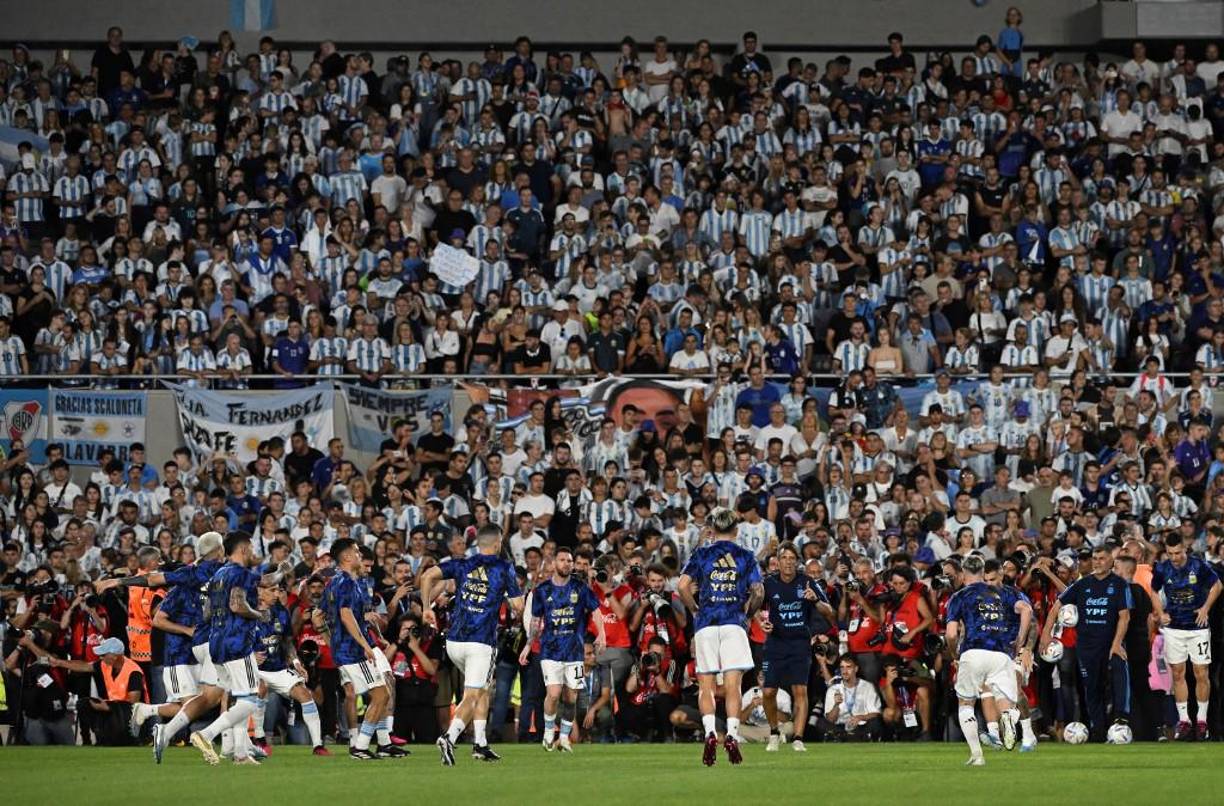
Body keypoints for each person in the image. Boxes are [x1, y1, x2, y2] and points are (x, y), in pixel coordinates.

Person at [420, 524, 525, 765]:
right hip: (480, 642)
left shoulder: (462, 564)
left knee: (482, 689)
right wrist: (511, 604)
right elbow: (518, 607)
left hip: (455, 641)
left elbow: (426, 577)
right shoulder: (503, 567)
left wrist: (427, 608)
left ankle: (480, 744)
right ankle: (449, 737)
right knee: (474, 694)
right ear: (498, 544)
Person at [676, 507, 764, 766]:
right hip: (733, 622)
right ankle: (733, 736)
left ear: (712, 530)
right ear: (736, 530)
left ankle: (710, 733)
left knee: (706, 686)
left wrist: (694, 609)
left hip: (706, 624)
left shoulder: (702, 553)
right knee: (733, 685)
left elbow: (682, 586)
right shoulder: (746, 556)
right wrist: (748, 614)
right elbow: (758, 591)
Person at [188, 531, 267, 766]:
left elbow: (207, 612)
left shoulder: (218, 573)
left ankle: (241, 754)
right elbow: (237, 604)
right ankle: (207, 735)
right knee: (251, 700)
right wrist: (258, 614)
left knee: (240, 698)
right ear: (243, 550)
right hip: (238, 644)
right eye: (251, 549)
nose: (253, 553)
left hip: (217, 643)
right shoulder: (241, 573)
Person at [944, 554, 1032, 765]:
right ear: (983, 572)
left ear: (963, 573)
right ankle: (1008, 716)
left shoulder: (959, 596)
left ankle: (977, 755)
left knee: (966, 703)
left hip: (973, 651)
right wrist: (1020, 641)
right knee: (1003, 696)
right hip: (1002, 653)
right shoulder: (1002, 593)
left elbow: (951, 634)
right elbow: (1026, 611)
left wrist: (954, 654)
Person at [519, 545, 607, 752]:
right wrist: (528, 645)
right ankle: (549, 731)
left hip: (575, 651)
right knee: (554, 693)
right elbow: (535, 621)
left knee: (571, 697)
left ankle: (565, 738)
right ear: (553, 563)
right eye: (562, 560)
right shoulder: (542, 590)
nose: (566, 564)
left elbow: (595, 611)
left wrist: (602, 634)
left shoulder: (581, 588)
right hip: (550, 650)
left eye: (569, 561)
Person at [1040, 545, 1131, 743]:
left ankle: (1121, 718)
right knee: (1092, 689)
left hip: (1110, 644)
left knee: (1118, 672)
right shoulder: (1082, 585)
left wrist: (1116, 644)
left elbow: (1124, 617)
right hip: (1086, 647)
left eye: (1102, 558)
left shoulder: (1119, 584)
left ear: (1111, 562)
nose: (1098, 562)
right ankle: (1098, 730)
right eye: (1095, 558)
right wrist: (1046, 635)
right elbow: (1057, 606)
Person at [323, 537, 396, 760]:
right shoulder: (346, 582)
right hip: (352, 650)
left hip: (344, 648)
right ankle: (360, 747)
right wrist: (365, 645)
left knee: (381, 694)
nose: (359, 555)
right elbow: (346, 616)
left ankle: (368, 745)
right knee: (381, 694)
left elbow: (323, 615)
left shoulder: (334, 583)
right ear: (346, 557)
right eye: (356, 552)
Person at [1149, 534, 1222, 740]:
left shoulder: (1198, 566)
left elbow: (1217, 585)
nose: (1174, 557)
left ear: (1185, 549)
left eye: (1178, 553)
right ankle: (1184, 721)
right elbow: (1153, 591)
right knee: (1178, 673)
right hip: (1174, 628)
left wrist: (1206, 608)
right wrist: (1160, 612)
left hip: (1197, 627)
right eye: (1171, 553)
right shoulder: (1163, 568)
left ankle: (1201, 721)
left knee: (1201, 672)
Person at [761, 541, 831, 751]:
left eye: (792, 558)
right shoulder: (768, 583)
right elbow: (751, 605)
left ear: (797, 562)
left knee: (800, 690)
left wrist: (816, 600)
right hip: (775, 643)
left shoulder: (808, 582)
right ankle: (774, 732)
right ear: (778, 562)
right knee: (768, 692)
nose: (788, 562)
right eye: (784, 558)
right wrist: (761, 621)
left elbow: (829, 611)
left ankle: (798, 739)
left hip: (800, 643)